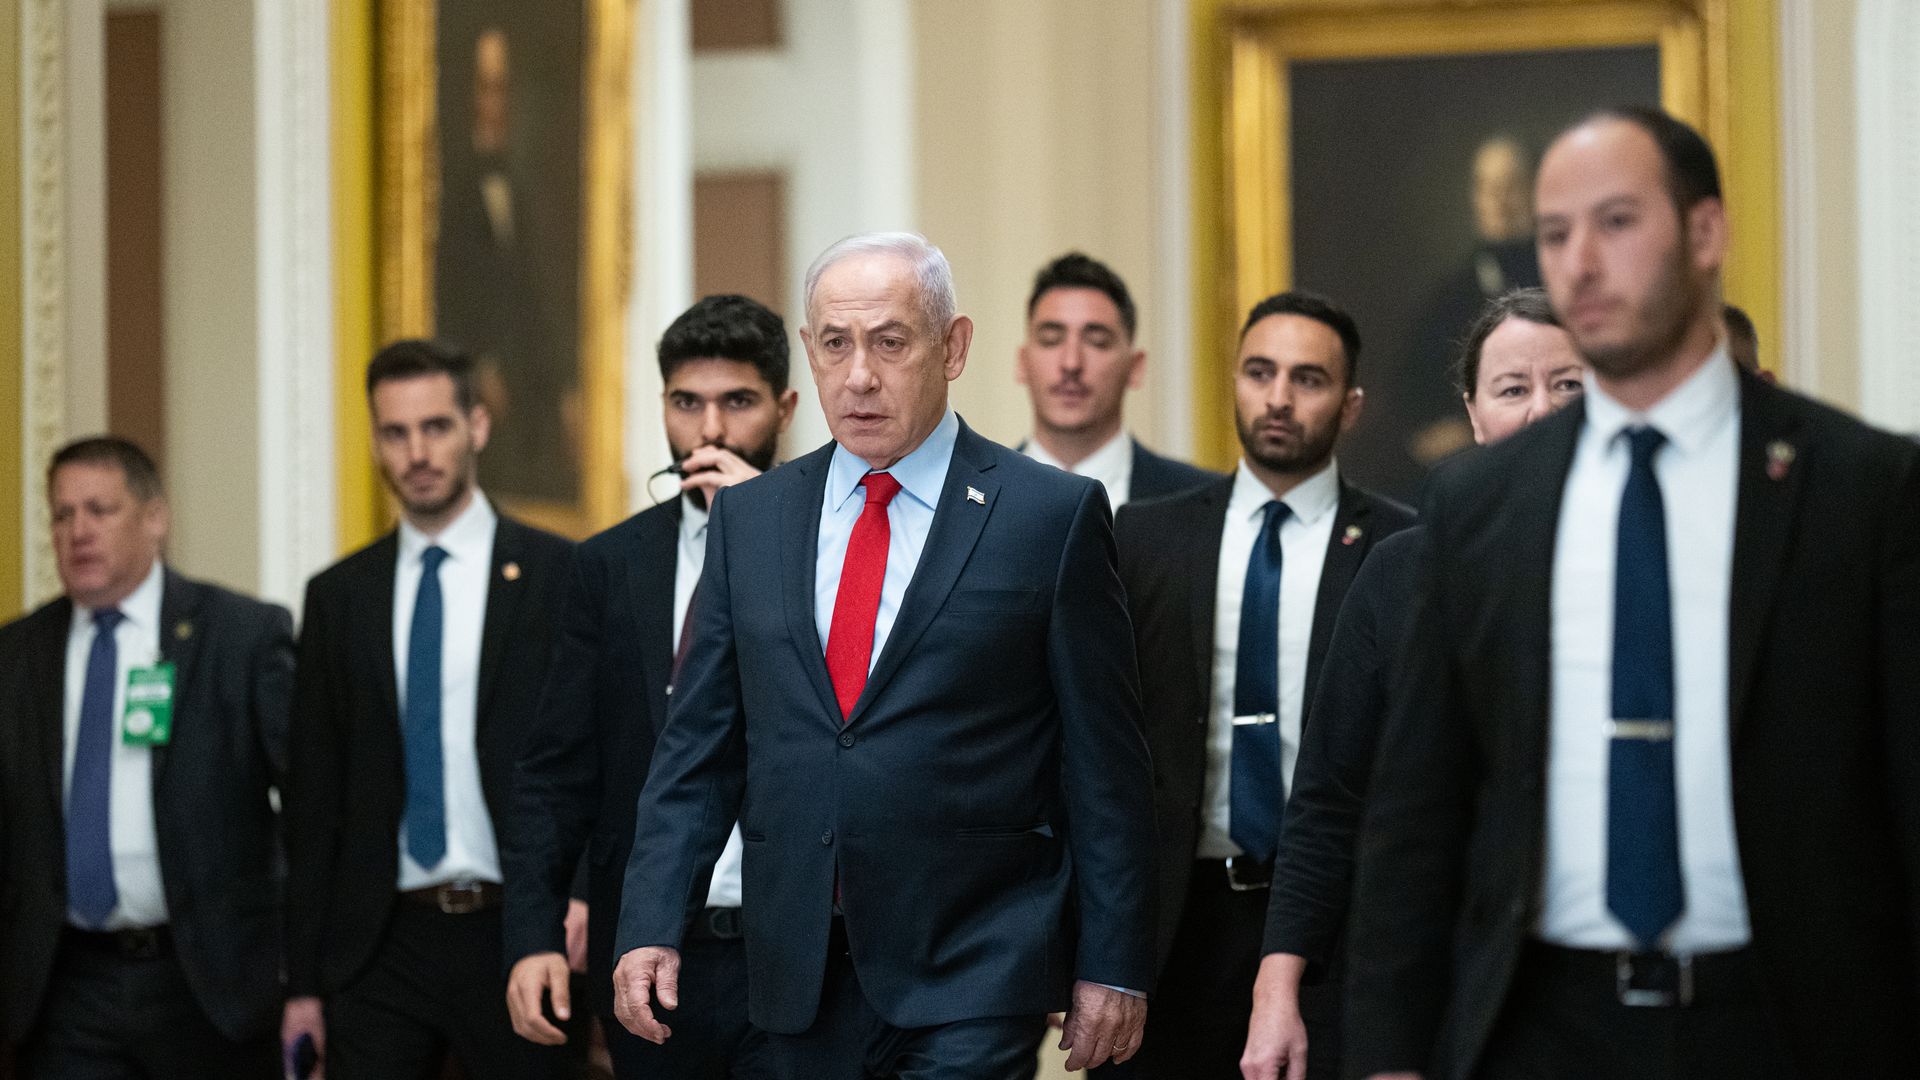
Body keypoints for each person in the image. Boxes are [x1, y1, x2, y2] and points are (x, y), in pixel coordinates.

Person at [1346, 107, 1920, 1080]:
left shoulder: (1860, 487)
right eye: (1556, 233)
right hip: (1540, 1025)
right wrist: (1392, 1054)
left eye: (1615, 223)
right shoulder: (1480, 502)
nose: (1579, 262)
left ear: (1705, 234)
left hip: (1786, 1023)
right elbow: (1420, 807)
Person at [611, 232, 1157, 1079]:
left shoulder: (1048, 517)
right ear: (809, 354)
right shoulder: (752, 522)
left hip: (974, 964)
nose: (859, 374)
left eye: (890, 342)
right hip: (795, 968)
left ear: (955, 347)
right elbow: (697, 752)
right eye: (835, 344)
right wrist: (650, 922)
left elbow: (1108, 767)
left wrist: (1113, 961)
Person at [1239, 288, 1584, 1080]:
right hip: (1435, 975)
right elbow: (1329, 798)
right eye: (1511, 389)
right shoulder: (1401, 573)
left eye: (1567, 385)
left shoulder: (1655, 566)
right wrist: (1278, 986)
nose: (1540, 413)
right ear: (1472, 414)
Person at [1109, 291, 1414, 1078]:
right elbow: (1097, 744)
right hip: (1176, 919)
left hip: (1334, 921)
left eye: (1308, 379)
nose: (1279, 398)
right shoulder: (1143, 536)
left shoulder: (1401, 548)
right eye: (1260, 372)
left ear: (1350, 407)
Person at [503, 294, 798, 1077]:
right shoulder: (607, 565)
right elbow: (555, 769)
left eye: (738, 403)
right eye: (686, 404)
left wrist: (761, 528)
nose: (710, 431)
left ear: (785, 408)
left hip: (798, 945)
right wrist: (533, 932)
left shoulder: (823, 549)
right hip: (652, 947)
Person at [282, 339, 575, 1078]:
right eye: (395, 432)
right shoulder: (338, 596)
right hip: (379, 940)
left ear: (476, 426)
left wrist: (581, 900)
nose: (416, 451)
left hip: (518, 930)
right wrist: (304, 985)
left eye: (436, 426)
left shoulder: (556, 573)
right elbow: (314, 798)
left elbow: (591, 760)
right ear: (376, 441)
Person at [0, 436, 294, 1076]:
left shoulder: (240, 637)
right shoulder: (17, 655)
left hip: (207, 983)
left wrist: (306, 973)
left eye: (100, 510)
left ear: (155, 519)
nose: (78, 531)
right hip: (66, 988)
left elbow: (311, 802)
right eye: (62, 514)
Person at [1016, 252, 1217, 505]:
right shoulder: (972, 497)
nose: (1071, 363)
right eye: (1051, 340)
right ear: (1022, 362)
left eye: (1097, 342)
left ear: (1135, 367)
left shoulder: (1201, 500)